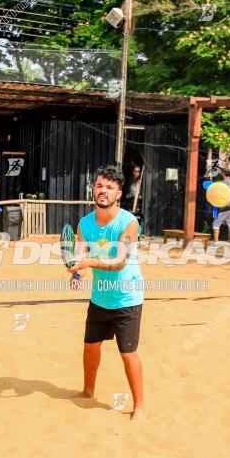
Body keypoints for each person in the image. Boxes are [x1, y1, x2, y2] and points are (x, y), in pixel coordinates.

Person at [69, 165, 146, 421]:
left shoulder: (129, 222)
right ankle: (88, 390)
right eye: (100, 185)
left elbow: (120, 263)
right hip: (100, 297)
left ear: (119, 193)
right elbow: (82, 255)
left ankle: (139, 407)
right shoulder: (84, 223)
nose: (103, 191)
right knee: (90, 346)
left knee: (127, 352)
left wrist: (88, 264)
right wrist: (78, 272)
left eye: (109, 187)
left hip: (127, 297)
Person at [211, 170, 230, 245]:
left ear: (224, 174)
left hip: (224, 206)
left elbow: (217, 194)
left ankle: (215, 243)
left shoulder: (222, 183)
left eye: (222, 173)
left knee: (216, 224)